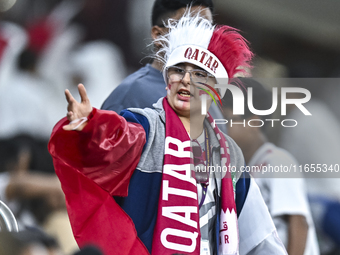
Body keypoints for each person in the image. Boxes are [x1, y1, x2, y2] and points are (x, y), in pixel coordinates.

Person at [49, 13, 286, 255]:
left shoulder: (230, 154)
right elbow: (114, 140)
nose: (186, 80)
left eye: (199, 74)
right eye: (179, 70)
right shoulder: (146, 125)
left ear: (216, 89)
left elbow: (258, 236)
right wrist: (90, 125)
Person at [221, 78, 319, 255]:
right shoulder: (245, 169)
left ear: (254, 122)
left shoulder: (277, 161)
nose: (220, 130)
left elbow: (298, 221)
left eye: (227, 120)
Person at [100, 0, 227, 133]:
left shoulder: (210, 106)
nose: (199, 35)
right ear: (159, 35)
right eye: (190, 24)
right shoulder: (131, 95)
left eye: (206, 27)